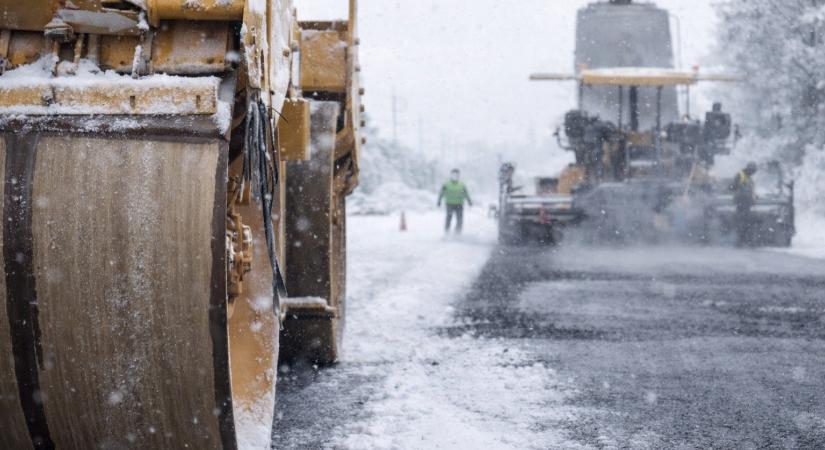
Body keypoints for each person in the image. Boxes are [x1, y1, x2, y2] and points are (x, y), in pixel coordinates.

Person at [437, 169, 473, 233]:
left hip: (459, 204)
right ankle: (447, 232)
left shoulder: (462, 184)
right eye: (453, 174)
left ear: (458, 176)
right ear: (451, 175)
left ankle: (458, 232)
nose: (455, 176)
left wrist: (469, 201)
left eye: (456, 175)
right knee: (449, 218)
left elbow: (466, 193)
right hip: (449, 204)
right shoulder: (446, 184)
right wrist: (439, 201)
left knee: (459, 219)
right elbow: (441, 193)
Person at [731, 162, 758, 247]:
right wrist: (741, 189)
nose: (753, 173)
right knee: (743, 222)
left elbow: (750, 189)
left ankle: (744, 241)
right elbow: (732, 187)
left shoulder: (749, 178)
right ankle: (740, 242)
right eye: (753, 171)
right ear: (749, 169)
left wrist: (754, 196)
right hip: (741, 202)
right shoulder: (740, 175)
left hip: (747, 203)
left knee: (747, 222)